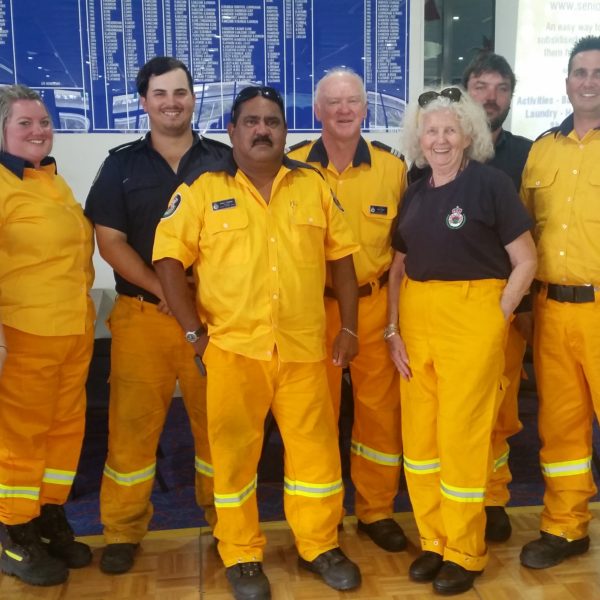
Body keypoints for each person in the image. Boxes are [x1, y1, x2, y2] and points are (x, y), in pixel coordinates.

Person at [153, 85, 362, 600]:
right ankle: (241, 553)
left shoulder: (312, 185)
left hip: (303, 349)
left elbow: (342, 260)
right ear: (232, 130)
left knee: (316, 455)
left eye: (272, 121)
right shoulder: (201, 188)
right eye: (251, 121)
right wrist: (193, 333)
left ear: (286, 131)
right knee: (233, 459)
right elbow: (168, 260)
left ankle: (319, 544)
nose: (262, 130)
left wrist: (350, 328)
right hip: (232, 351)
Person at [386, 87, 536, 594]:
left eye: (450, 129)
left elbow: (526, 260)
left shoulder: (490, 185)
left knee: (462, 440)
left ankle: (465, 551)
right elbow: (398, 267)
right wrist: (392, 329)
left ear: (468, 134)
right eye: (431, 130)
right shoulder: (415, 192)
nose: (440, 139)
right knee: (420, 443)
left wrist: (498, 315)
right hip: (417, 320)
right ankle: (434, 541)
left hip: (472, 319)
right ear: (419, 138)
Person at [84, 56, 230, 575]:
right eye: (161, 94)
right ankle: (122, 531)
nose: (172, 102)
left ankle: (229, 526)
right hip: (143, 316)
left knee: (220, 430)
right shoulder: (120, 165)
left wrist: (191, 298)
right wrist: (164, 290)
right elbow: (110, 241)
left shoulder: (224, 161)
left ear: (194, 98)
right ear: (144, 102)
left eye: (180, 92)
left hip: (212, 318)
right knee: (131, 431)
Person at [288, 68, 407, 552]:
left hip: (374, 307)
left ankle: (377, 510)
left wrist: (397, 319)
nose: (343, 110)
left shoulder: (392, 169)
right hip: (314, 311)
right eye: (333, 102)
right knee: (315, 416)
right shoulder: (292, 165)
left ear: (365, 108)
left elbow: (404, 250)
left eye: (352, 101)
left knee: (380, 414)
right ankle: (323, 516)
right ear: (317, 110)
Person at [0, 84, 95, 586]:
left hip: (73, 331)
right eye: (24, 123)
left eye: (43, 122)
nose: (38, 131)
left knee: (63, 431)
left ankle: (47, 513)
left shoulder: (51, 182)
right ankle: (13, 532)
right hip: (23, 335)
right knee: (20, 437)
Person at [519, 35, 600, 570]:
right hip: (552, 310)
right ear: (566, 80)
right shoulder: (542, 150)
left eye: (598, 73)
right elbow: (524, 234)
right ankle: (566, 527)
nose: (589, 82)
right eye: (580, 72)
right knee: (561, 425)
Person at [462, 51, 534, 542]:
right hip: (447, 309)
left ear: (511, 95)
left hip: (506, 306)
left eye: (500, 88)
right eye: (481, 86)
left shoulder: (528, 154)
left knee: (499, 411)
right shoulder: (437, 149)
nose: (490, 97)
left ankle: (492, 496)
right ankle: (455, 493)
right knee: (455, 408)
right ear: (465, 91)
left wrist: (518, 305)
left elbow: (535, 235)